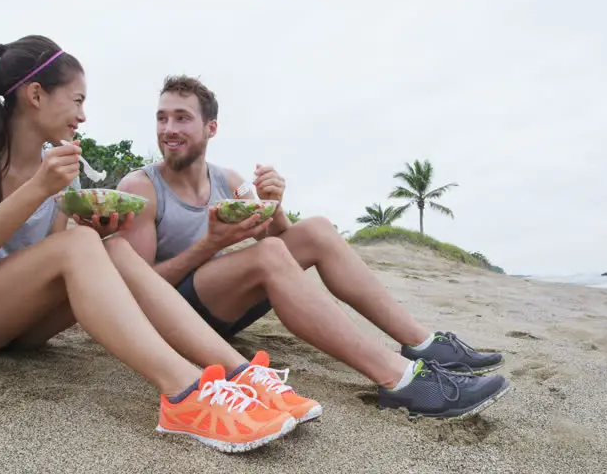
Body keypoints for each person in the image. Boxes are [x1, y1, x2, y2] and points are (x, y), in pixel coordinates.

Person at [0, 35, 312, 453]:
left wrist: (98, 228)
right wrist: (40, 190)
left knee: (110, 246)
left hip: (13, 325)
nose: (83, 115)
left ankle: (240, 374)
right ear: (35, 94)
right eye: (77, 101)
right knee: (79, 244)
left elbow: (53, 268)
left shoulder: (61, 169)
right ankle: (186, 392)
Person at [116, 75, 513, 420]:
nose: (168, 128)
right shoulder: (142, 187)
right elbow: (134, 289)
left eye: (182, 118)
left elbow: (278, 243)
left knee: (318, 230)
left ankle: (424, 346)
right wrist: (210, 245)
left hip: (224, 308)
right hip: (172, 320)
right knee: (270, 256)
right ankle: (401, 380)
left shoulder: (229, 180)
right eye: (162, 117)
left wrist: (277, 208)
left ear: (211, 127)